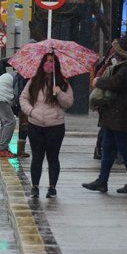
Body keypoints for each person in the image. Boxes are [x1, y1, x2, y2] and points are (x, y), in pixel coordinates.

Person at [82, 35, 127, 194]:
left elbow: (115, 83)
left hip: (120, 115)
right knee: (108, 148)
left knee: (125, 149)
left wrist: (98, 82)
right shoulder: (126, 66)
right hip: (114, 115)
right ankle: (103, 180)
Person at [20, 53, 73, 199]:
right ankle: (35, 187)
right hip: (35, 125)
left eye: (52, 61)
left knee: (53, 158)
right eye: (47, 61)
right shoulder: (34, 81)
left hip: (55, 126)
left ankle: (52, 187)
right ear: (42, 63)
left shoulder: (63, 83)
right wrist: (31, 111)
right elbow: (23, 98)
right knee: (37, 157)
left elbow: (68, 103)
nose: (49, 64)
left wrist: (59, 93)